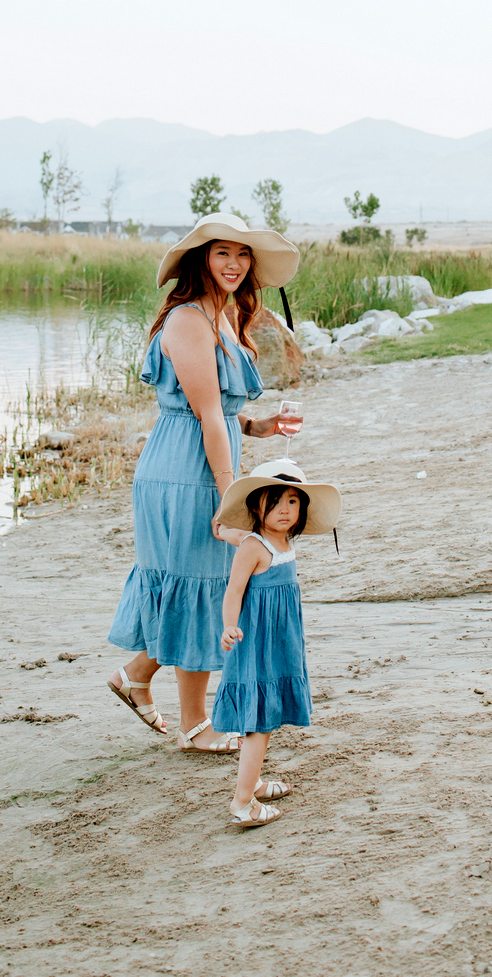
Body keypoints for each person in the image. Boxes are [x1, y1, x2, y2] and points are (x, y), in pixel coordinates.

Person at [106, 212, 300, 752]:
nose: (234, 264)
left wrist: (257, 426)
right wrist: (229, 498)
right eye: (222, 254)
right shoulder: (188, 320)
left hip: (199, 460)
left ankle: (136, 676)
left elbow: (219, 410)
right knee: (200, 584)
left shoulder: (224, 316)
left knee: (195, 582)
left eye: (242, 255)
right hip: (183, 474)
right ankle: (195, 724)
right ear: (201, 260)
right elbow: (205, 417)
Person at [211, 458, 342, 827]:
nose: (285, 510)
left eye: (293, 501)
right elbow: (233, 591)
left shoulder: (277, 540)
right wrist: (228, 627)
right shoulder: (254, 546)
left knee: (266, 717)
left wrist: (223, 532)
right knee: (259, 722)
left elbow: (235, 535)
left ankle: (252, 782)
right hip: (257, 645)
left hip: (281, 642)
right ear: (257, 506)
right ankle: (242, 802)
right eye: (276, 501)